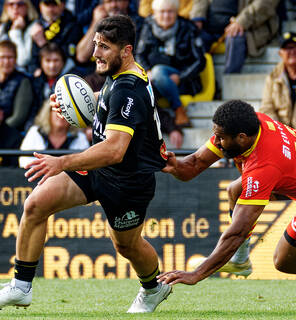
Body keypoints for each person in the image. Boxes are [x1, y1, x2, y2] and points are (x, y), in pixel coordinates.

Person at [0, 15, 172, 313]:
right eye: (95, 44)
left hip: (128, 183)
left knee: (126, 246)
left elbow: (115, 149)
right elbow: (107, 99)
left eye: (104, 47)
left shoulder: (128, 89)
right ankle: (21, 286)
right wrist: (72, 100)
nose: (95, 53)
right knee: (35, 205)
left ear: (126, 50)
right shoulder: (120, 77)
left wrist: (62, 161)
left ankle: (154, 288)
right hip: (97, 168)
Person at [157, 99, 296, 287]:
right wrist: (174, 165)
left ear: (241, 138)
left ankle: (239, 260)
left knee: (284, 261)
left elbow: (237, 233)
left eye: (220, 138)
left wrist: (196, 274)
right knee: (235, 189)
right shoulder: (249, 123)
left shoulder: (264, 166)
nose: (216, 142)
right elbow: (195, 164)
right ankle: (240, 261)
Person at [135, 0, 206, 127]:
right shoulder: (147, 27)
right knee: (149, 83)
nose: (166, 16)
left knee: (157, 73)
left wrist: (181, 77)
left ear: (176, 12)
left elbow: (200, 61)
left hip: (183, 80)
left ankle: (178, 110)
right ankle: (171, 118)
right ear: (154, 13)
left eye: (170, 12)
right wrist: (147, 71)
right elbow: (139, 54)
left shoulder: (188, 28)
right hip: (154, 78)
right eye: (162, 12)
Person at [260, 31, 296, 130]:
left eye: (295, 47)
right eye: (287, 48)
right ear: (280, 53)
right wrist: (280, 130)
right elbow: (266, 108)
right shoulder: (273, 77)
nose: (292, 51)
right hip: (282, 133)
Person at [203, 0, 280, 73]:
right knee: (194, 39)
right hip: (208, 27)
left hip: (249, 28)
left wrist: (241, 21)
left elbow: (265, 3)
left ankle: (229, 81)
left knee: (235, 35)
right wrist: (197, 18)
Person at [19, 99, 89, 168]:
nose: (61, 114)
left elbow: (84, 165)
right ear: (48, 113)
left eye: (66, 111)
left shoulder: (79, 137)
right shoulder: (35, 132)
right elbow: (25, 161)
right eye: (57, 110)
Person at [76, 0, 144, 70]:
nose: (113, 5)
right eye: (109, 1)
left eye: (118, 1)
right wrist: (96, 22)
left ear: (127, 2)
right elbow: (81, 57)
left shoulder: (138, 23)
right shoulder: (99, 21)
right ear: (102, 5)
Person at [28, 0, 83, 76]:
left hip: (66, 74)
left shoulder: (71, 25)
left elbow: (68, 56)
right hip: (42, 78)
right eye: (47, 4)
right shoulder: (37, 25)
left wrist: (43, 44)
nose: (50, 9)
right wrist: (36, 72)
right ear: (40, 6)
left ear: (63, 5)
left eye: (54, 4)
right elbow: (32, 62)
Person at [0, 39, 34, 132]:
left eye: (10, 57)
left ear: (15, 59)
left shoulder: (23, 81)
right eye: (2, 57)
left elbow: (19, 117)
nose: (6, 62)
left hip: (10, 133)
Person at [0, 0, 39, 71]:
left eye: (20, 4)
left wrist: (16, 31)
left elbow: (22, 61)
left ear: (27, 6)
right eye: (11, 4)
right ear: (6, 7)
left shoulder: (35, 27)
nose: (15, 7)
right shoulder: (2, 28)